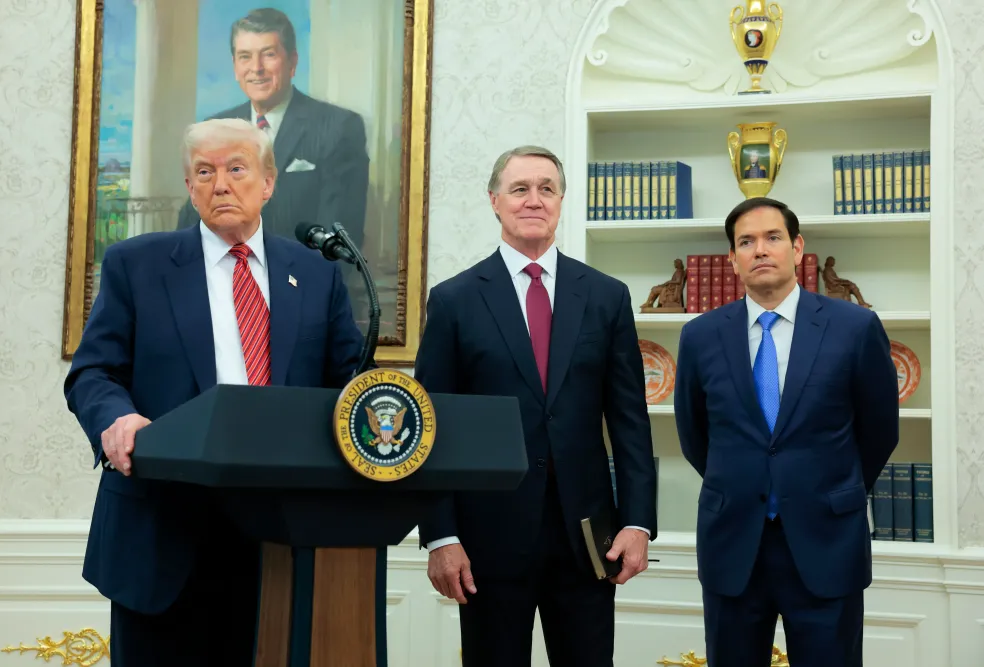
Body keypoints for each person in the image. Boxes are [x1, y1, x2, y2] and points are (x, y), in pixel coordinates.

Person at [64, 118, 364, 666]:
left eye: (236, 169)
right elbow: (93, 373)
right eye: (204, 172)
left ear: (268, 182)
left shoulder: (316, 273)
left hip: (280, 538)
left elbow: (350, 383)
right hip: (161, 533)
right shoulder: (137, 264)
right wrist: (117, 419)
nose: (220, 184)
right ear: (189, 186)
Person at [414, 145, 658, 666]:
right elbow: (431, 427)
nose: (534, 199)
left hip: (589, 540)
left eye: (547, 189)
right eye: (520, 188)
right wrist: (440, 535)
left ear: (561, 200)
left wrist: (638, 522)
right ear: (494, 201)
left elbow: (630, 422)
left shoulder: (606, 296)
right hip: (487, 539)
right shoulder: (454, 300)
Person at [673, 197, 899, 667]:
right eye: (746, 242)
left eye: (772, 237)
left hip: (827, 540)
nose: (760, 250)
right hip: (734, 544)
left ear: (797, 248)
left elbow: (879, 430)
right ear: (732, 258)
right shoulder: (700, 335)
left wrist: (832, 489)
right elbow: (695, 435)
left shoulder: (855, 327)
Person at [176, 7, 369, 253]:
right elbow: (191, 221)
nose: (256, 68)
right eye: (245, 56)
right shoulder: (215, 127)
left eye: (268, 54)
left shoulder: (338, 127)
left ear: (292, 62)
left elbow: (340, 240)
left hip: (298, 275)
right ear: (235, 66)